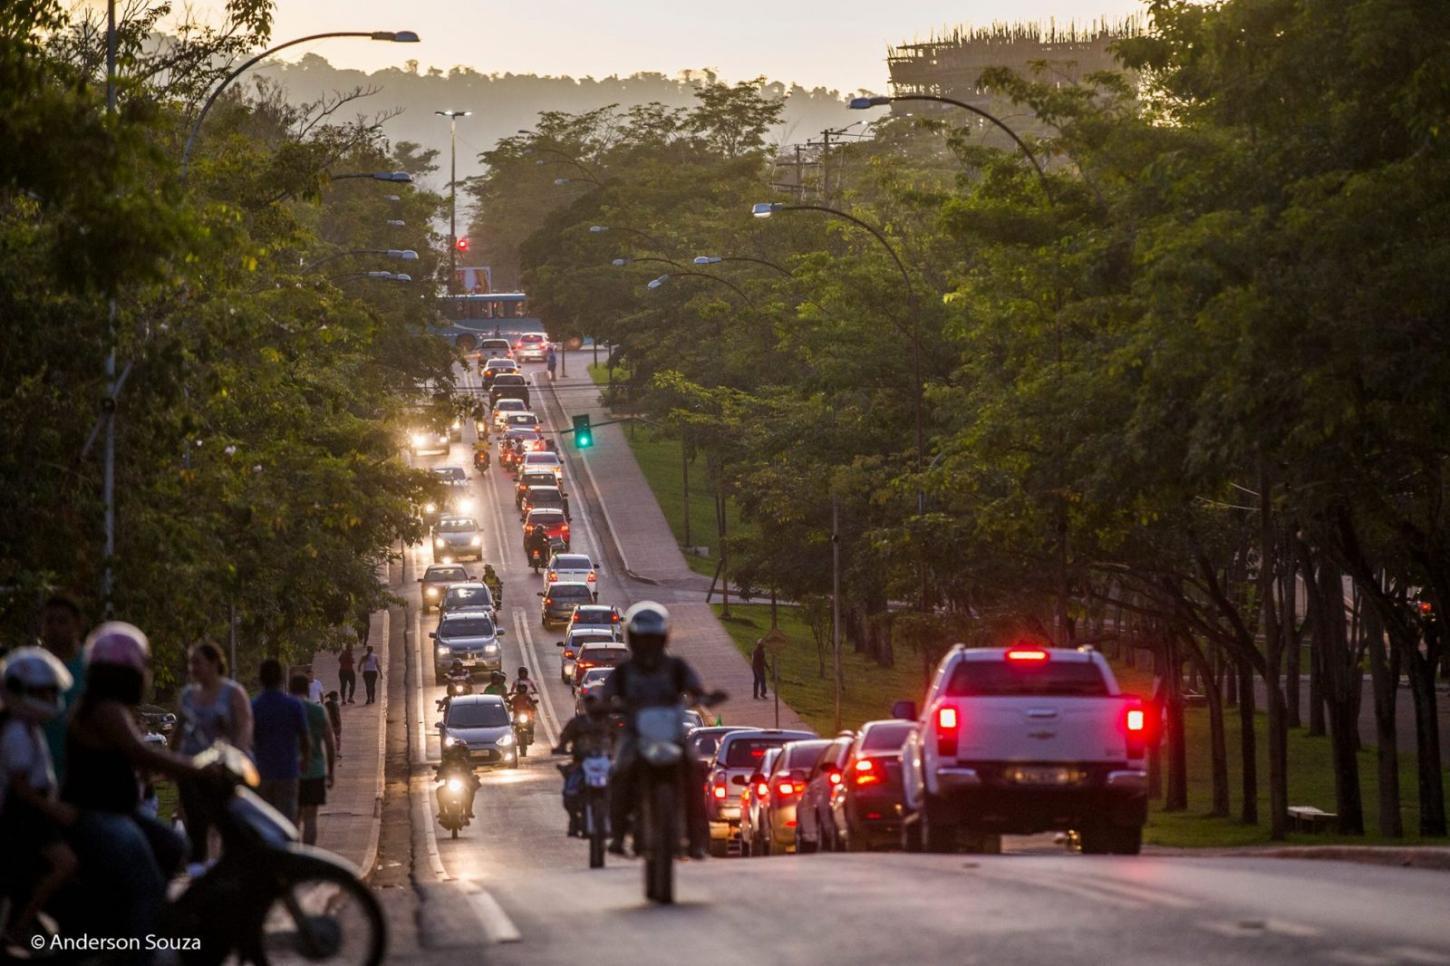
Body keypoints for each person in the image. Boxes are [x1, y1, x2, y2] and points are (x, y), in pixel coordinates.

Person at [61, 623, 203, 949]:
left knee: (172, 845)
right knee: (147, 883)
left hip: (119, 811)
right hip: (97, 815)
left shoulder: (110, 707)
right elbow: (142, 753)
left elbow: (137, 758)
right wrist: (196, 768)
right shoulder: (105, 709)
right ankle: (141, 951)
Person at [600, 602, 713, 859]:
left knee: (694, 774)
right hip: (636, 735)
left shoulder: (676, 667)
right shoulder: (624, 670)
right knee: (619, 773)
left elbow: (696, 687)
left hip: (670, 734)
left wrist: (704, 696)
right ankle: (617, 835)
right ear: (633, 639)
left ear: (663, 638)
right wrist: (603, 705)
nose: (648, 646)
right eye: (643, 639)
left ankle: (697, 839)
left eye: (653, 639)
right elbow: (607, 693)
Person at [0, 647, 79, 947]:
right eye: (43, 692)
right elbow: (21, 788)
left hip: (34, 810)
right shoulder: (17, 733)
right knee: (65, 864)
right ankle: (20, 925)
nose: (50, 699)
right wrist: (53, 809)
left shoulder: (28, 728)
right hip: (25, 814)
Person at [171, 642, 252, 870]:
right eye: (190, 663)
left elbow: (244, 729)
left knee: (227, 824)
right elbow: (179, 732)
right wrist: (172, 762)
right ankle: (198, 873)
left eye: (197, 662)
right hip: (191, 770)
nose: (192, 668)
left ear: (215, 662)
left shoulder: (233, 693)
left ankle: (229, 871)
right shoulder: (188, 695)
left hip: (221, 772)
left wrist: (235, 759)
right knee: (196, 826)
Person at [250, 658, 311, 823]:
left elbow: (249, 740)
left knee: (265, 822)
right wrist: (305, 761)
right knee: (288, 821)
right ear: (281, 679)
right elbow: (305, 738)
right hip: (288, 771)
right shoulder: (293, 705)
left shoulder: (254, 706)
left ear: (261, 679)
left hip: (262, 773)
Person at [38, 595, 87, 785]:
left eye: (62, 621)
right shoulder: (30, 667)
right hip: (39, 777)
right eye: (49, 621)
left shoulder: (91, 668)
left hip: (83, 777)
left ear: (78, 625)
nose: (55, 628)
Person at [552, 694, 612, 837]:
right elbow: (565, 737)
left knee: (622, 783)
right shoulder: (577, 723)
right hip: (582, 763)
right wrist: (561, 747)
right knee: (570, 790)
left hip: (604, 763)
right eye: (589, 705)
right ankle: (574, 820)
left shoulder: (607, 723)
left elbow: (618, 738)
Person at [287, 675, 335, 846]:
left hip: (291, 772)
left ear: (290, 689)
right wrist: (331, 772)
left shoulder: (286, 710)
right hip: (315, 771)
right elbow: (330, 743)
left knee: (293, 818)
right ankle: (309, 856)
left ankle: (293, 856)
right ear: (307, 690)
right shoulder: (319, 711)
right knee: (311, 818)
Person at [324, 691, 343, 759]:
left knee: (330, 739)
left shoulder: (326, 704)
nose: (338, 697)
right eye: (337, 696)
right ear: (334, 697)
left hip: (328, 724)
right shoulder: (335, 704)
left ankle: (330, 752)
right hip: (335, 724)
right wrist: (339, 724)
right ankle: (337, 752)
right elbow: (336, 715)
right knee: (337, 738)